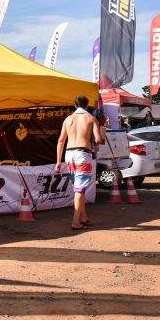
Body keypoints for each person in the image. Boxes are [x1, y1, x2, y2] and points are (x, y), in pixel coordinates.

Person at [56, 96, 103, 230]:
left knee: (78, 189)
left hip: (69, 154)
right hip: (83, 154)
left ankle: (83, 217)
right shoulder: (91, 118)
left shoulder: (68, 119)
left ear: (75, 105)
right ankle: (75, 222)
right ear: (87, 106)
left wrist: (58, 161)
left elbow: (61, 141)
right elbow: (98, 139)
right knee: (80, 190)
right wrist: (97, 140)